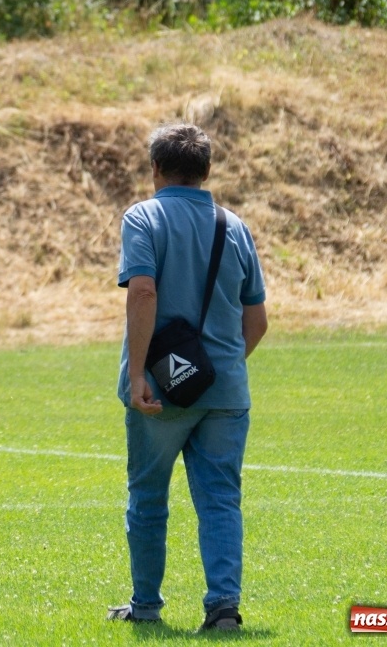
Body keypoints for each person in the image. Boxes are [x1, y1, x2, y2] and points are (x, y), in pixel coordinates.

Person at [108, 122, 269, 632]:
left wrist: (139, 375)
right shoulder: (235, 226)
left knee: (149, 497)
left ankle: (148, 606)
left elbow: (143, 293)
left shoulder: (143, 217)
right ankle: (223, 606)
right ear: (206, 171)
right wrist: (211, 373)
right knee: (221, 499)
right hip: (225, 389)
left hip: (157, 386)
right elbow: (257, 320)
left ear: (156, 169)